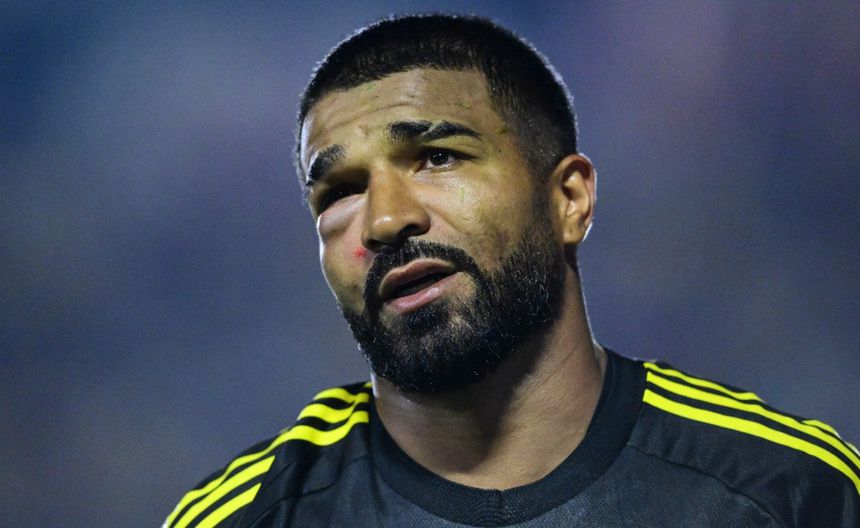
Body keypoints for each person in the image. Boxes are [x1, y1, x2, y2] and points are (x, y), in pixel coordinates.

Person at [164, 14, 859, 528]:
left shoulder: (788, 494)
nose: (384, 219)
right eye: (340, 191)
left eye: (437, 157)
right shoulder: (242, 518)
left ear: (569, 200)